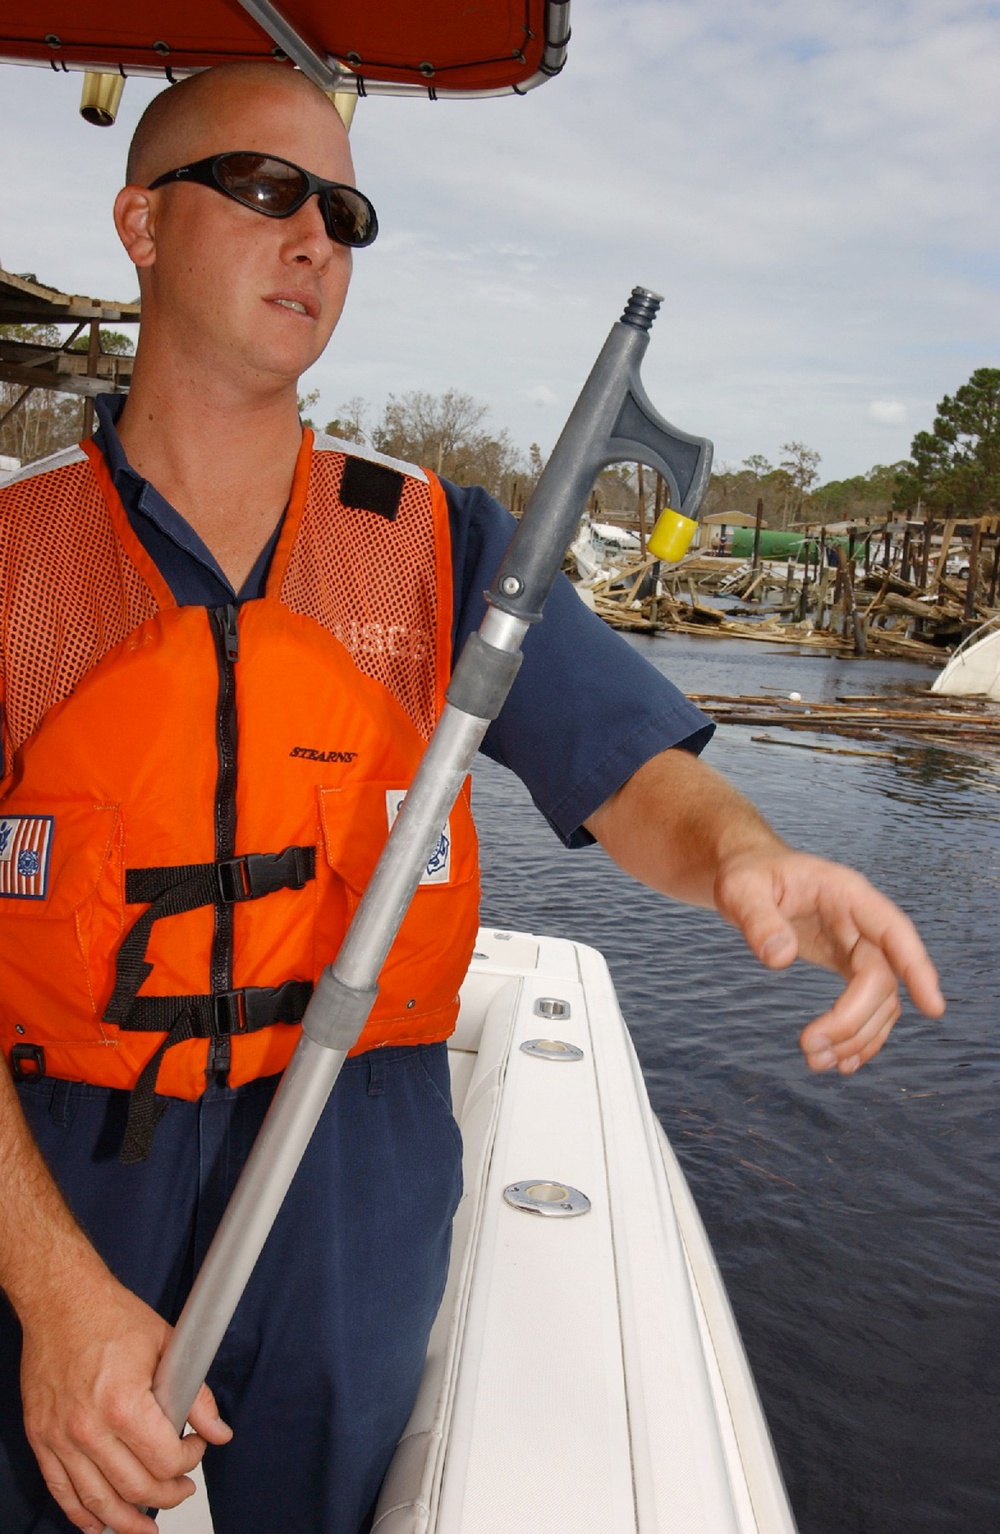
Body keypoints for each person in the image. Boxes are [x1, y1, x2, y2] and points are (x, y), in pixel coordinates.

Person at [0, 61, 944, 1534]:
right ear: (139, 221)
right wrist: (53, 1295)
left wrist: (755, 859)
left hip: (353, 1188)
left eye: (346, 210)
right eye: (262, 189)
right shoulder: (12, 552)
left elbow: (632, 771)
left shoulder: (438, 541)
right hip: (62, 1182)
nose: (315, 236)